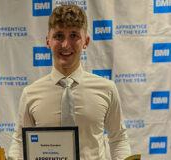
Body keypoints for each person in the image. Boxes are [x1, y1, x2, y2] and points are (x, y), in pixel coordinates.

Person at [8, 4, 131, 160]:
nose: (66, 45)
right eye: (59, 36)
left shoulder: (107, 89)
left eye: (74, 36)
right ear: (48, 41)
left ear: (85, 42)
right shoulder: (30, 93)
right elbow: (19, 143)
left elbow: (118, 138)